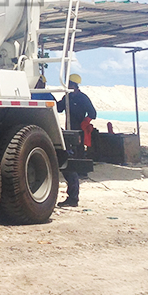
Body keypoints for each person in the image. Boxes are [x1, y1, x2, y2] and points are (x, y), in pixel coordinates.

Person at [57, 73, 97, 207]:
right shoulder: (67, 97)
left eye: (70, 85)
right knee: (69, 164)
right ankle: (72, 196)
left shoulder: (83, 98)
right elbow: (59, 108)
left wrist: (86, 121)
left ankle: (73, 197)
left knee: (72, 164)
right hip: (69, 133)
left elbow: (93, 113)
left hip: (78, 134)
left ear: (74, 85)